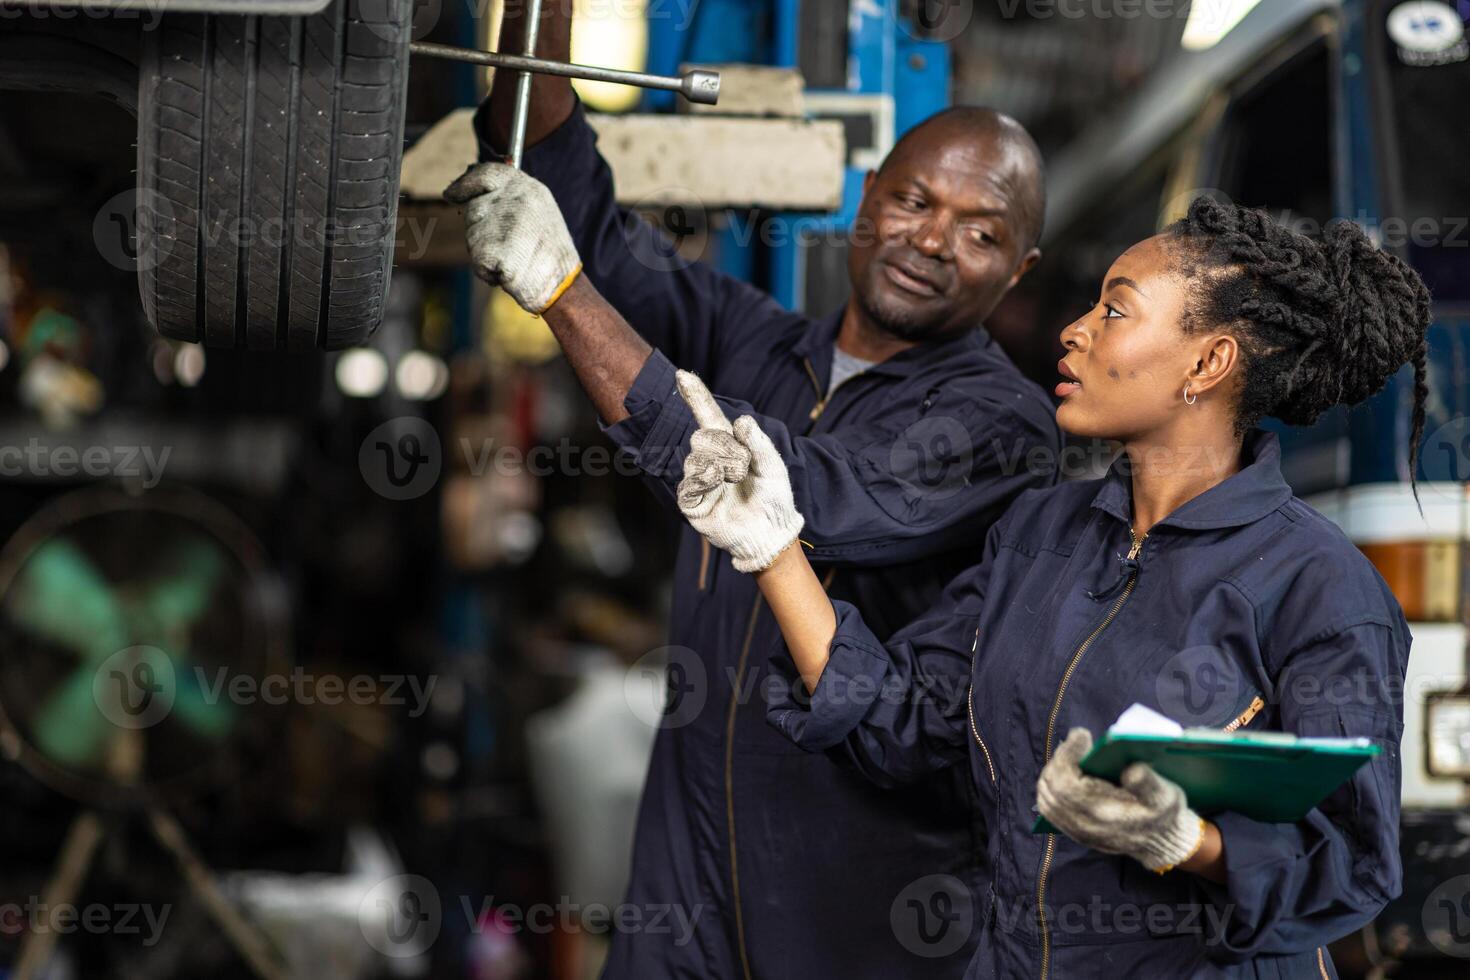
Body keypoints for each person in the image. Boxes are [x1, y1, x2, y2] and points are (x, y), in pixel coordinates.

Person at [443, 7, 1060, 977]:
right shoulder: (755, 340)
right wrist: (537, 26)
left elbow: (811, 493)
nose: (933, 239)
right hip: (684, 875)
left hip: (854, 902)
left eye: (979, 231)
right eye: (912, 200)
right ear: (866, 199)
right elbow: (589, 219)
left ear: (1018, 269)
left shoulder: (1000, 423)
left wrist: (563, 293)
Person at [673, 197, 1428, 978]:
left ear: (1208, 363)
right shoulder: (1038, 536)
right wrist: (772, 547)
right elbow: (897, 719)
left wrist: (1189, 843)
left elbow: (1352, 867)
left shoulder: (1321, 587)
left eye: (1115, 310)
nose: (1075, 330)